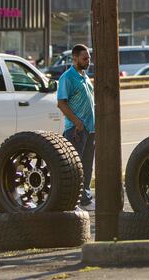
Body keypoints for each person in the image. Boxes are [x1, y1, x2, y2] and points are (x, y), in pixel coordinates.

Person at [56, 44, 96, 211]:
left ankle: (84, 199)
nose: (88, 61)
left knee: (86, 165)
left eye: (89, 58)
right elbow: (61, 103)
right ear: (75, 58)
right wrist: (77, 122)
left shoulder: (85, 76)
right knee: (74, 167)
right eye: (85, 58)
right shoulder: (67, 77)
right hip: (76, 130)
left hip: (90, 129)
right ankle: (73, 201)